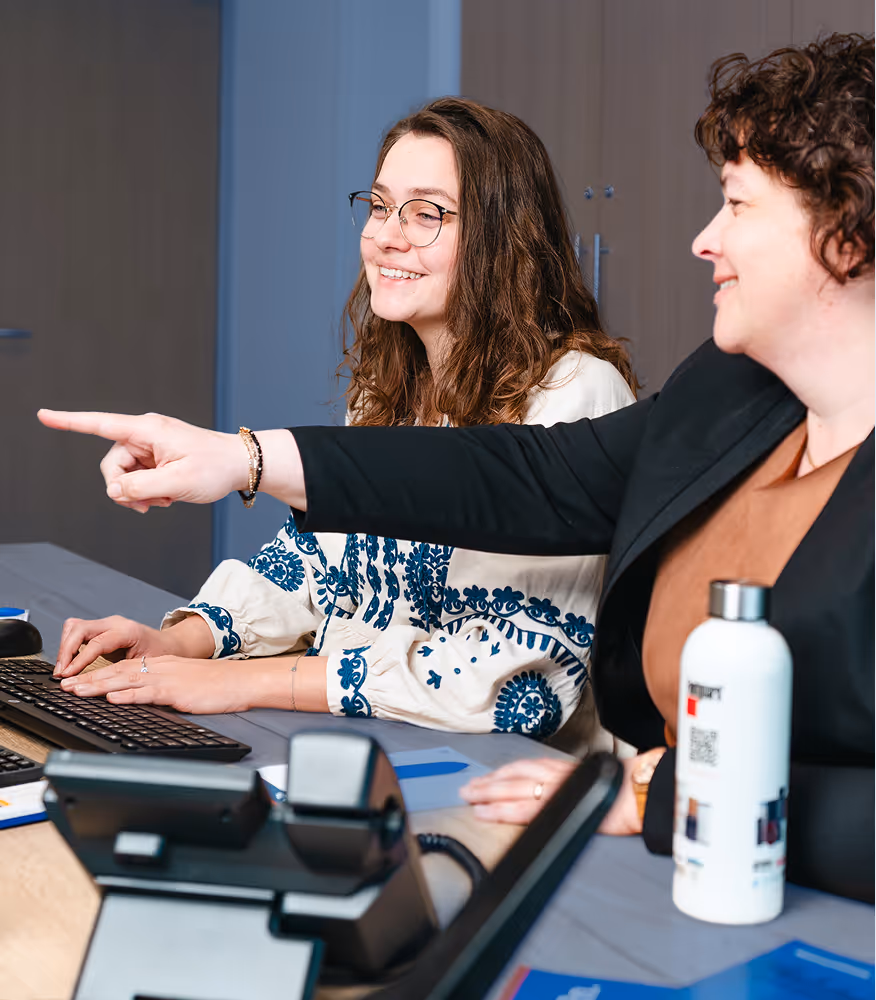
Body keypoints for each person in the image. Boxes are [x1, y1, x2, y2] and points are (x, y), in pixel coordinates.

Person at [38, 33, 874, 901]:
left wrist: (657, 790)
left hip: (657, 835)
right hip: (663, 848)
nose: (703, 240)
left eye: (737, 206)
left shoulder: (588, 386)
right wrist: (222, 526)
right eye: (380, 204)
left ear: (847, 236)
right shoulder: (729, 391)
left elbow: (517, 669)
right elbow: (511, 482)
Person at [47, 98, 636, 740]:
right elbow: (314, 562)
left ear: (505, 236)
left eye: (427, 213)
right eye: (381, 206)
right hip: (365, 735)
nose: (384, 235)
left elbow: (514, 686)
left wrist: (245, 680)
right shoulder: (391, 387)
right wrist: (186, 641)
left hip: (492, 774)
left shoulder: (578, 392)